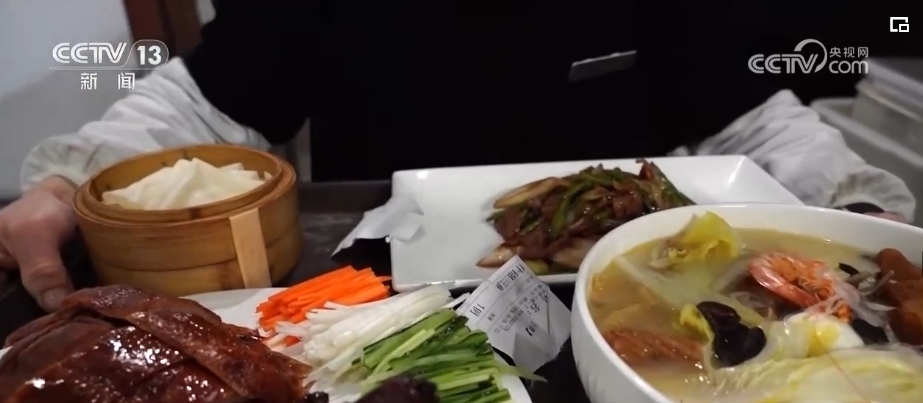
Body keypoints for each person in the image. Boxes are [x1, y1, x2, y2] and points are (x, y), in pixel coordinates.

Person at [0, 1, 918, 311]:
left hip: (639, 293)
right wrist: (64, 184)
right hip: (379, 299)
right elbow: (197, 101)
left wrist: (856, 209)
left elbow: (756, 120)